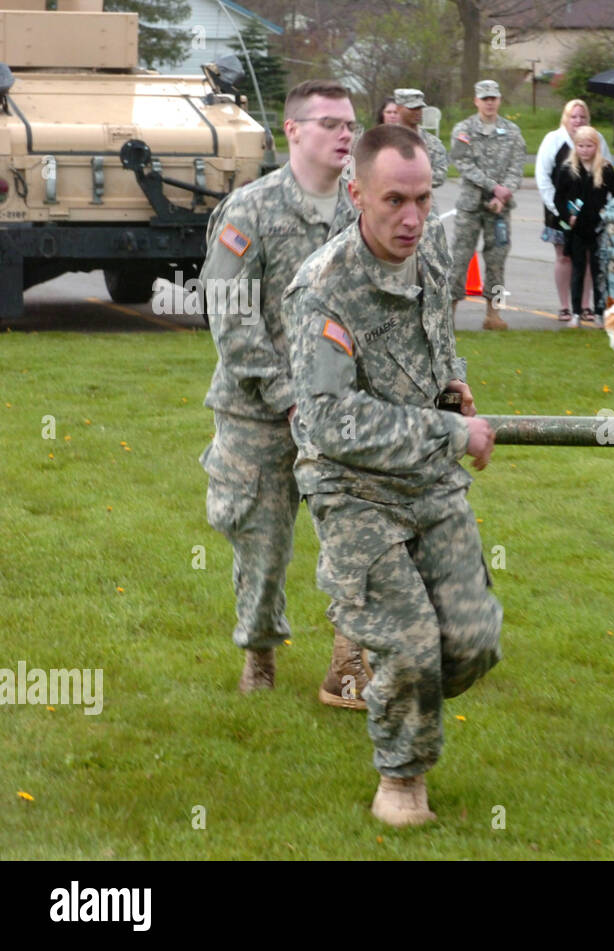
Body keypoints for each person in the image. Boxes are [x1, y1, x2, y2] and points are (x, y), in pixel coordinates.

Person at [284, 124, 502, 826]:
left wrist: (454, 386)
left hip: (429, 481)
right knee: (412, 646)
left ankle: (374, 650)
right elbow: (327, 420)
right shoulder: (323, 288)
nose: (411, 218)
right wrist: (451, 430)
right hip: (352, 488)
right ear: (356, 195)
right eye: (393, 201)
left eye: (422, 198)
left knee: (471, 646)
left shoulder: (434, 252)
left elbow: (439, 336)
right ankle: (402, 779)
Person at [199, 79, 367, 707]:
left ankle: (350, 660)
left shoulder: (362, 211)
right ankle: (260, 652)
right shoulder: (252, 209)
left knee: (357, 535)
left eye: (350, 124)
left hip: (343, 411)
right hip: (259, 412)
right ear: (293, 130)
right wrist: (287, 395)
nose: (345, 135)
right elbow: (229, 314)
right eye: (330, 124)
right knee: (262, 545)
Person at [448, 79, 527, 330]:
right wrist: (494, 187)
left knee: (497, 260)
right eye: (485, 98)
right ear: (476, 101)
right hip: (471, 205)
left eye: (493, 98)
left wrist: (502, 195)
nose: (490, 103)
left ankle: (494, 314)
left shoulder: (512, 131)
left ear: (500, 100)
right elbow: (462, 163)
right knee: (459, 258)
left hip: (499, 208)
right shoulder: (464, 129)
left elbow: (517, 166)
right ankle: (448, 312)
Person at [538, 100, 613, 320]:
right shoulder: (553, 140)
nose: (578, 121)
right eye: (574, 117)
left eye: (582, 117)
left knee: (588, 257)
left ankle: (585, 305)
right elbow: (543, 177)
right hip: (559, 210)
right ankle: (564, 305)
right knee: (565, 256)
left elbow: (606, 172)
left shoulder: (597, 139)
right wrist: (560, 209)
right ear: (566, 118)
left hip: (591, 213)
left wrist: (603, 207)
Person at [553, 125, 614, 327]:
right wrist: (567, 216)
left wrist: (607, 214)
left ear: (597, 146)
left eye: (589, 146)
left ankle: (600, 311)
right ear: (575, 147)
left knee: (598, 271)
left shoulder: (606, 168)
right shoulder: (568, 169)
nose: (585, 150)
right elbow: (559, 197)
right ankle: (576, 312)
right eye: (581, 146)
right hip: (576, 228)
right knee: (578, 270)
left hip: (598, 228)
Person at [392, 88, 449, 211]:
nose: (417, 112)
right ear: (398, 108)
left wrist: (408, 175)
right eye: (412, 108)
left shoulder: (432, 143)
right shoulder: (384, 139)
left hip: (423, 208)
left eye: (419, 108)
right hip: (391, 206)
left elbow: (440, 176)